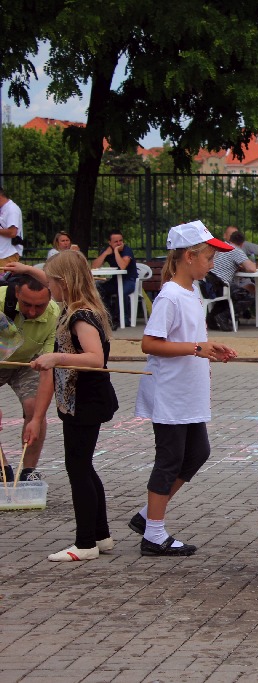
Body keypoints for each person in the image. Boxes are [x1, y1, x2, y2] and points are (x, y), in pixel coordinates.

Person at [130, 221, 238, 556]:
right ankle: (154, 535)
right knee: (170, 459)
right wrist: (196, 349)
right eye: (208, 256)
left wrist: (209, 347)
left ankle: (149, 518)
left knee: (197, 453)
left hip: (187, 392)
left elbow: (187, 339)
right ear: (189, 257)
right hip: (170, 395)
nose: (212, 263)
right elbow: (149, 343)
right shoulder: (171, 296)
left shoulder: (190, 292)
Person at [20, 252, 118, 562]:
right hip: (77, 402)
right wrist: (37, 417)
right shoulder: (70, 311)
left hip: (87, 402)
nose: (47, 287)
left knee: (78, 467)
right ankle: (100, 535)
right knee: (83, 465)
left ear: (63, 282)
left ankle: (85, 542)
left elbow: (95, 359)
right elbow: (51, 373)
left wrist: (57, 358)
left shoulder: (81, 315)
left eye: (50, 282)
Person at [0, 273, 60, 483]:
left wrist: (36, 418)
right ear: (16, 292)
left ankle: (28, 470)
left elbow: (48, 370)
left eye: (40, 306)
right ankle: (1, 467)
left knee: (35, 408)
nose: (32, 312)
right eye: (26, 304)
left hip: (27, 362)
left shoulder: (55, 315)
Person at [204, 229, 258, 330]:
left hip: (208, 283)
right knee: (248, 296)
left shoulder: (221, 246)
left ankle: (211, 319)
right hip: (220, 284)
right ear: (242, 244)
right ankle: (224, 316)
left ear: (230, 239)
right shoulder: (235, 250)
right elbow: (252, 268)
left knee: (227, 297)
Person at [91, 229, 138, 329]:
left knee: (122, 291)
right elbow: (94, 266)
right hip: (115, 280)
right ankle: (110, 316)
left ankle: (123, 319)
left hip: (129, 280)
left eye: (120, 240)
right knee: (99, 289)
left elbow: (122, 266)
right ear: (109, 243)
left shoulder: (127, 250)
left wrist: (116, 251)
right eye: (116, 242)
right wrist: (105, 254)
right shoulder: (107, 250)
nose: (119, 243)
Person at [0, 187, 24, 266]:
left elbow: (12, 232)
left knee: (3, 278)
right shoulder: (2, 209)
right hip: (2, 254)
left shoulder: (12, 209)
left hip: (7, 255)